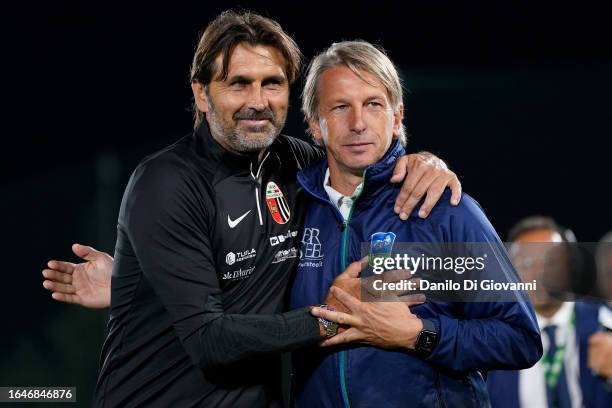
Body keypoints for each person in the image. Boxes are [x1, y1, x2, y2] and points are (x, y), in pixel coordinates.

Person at [41, 11, 462, 407]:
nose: (258, 101)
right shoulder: (166, 182)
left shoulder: (298, 166)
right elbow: (210, 341)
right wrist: (336, 319)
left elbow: (361, 164)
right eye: (239, 84)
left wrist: (424, 161)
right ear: (201, 94)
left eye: (272, 83)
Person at [291, 40, 543, 407]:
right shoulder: (292, 212)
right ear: (316, 124)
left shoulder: (445, 210)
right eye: (341, 107)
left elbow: (520, 339)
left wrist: (419, 335)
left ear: (396, 117)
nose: (358, 123)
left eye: (373, 104)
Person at [486, 216, 612, 408]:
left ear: (570, 265)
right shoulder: (493, 341)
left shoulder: (607, 322)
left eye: (551, 261)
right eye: (526, 264)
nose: (539, 273)